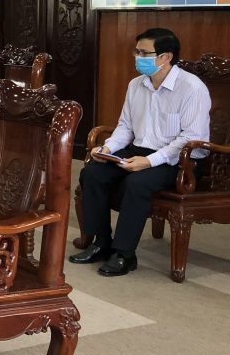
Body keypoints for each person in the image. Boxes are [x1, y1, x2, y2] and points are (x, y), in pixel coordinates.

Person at [71, 28, 210, 277]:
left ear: (166, 57)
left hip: (178, 161)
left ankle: (124, 254)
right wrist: (108, 148)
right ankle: (102, 243)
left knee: (136, 183)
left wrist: (149, 161)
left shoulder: (191, 87)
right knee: (93, 172)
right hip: (138, 150)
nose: (137, 58)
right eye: (136, 52)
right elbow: (126, 126)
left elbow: (190, 139)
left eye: (144, 53)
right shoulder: (136, 84)